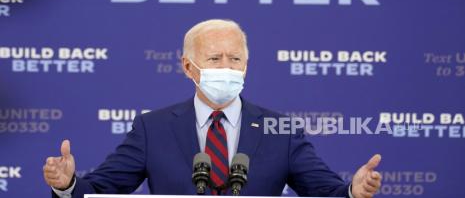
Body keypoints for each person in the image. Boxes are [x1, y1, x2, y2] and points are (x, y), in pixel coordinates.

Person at [43, 19, 382, 198]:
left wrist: (355, 190)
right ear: (189, 67)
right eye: (215, 58)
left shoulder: (281, 130)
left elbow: (327, 192)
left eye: (235, 59)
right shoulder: (153, 129)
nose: (226, 66)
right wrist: (67, 183)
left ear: (246, 66)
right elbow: (98, 192)